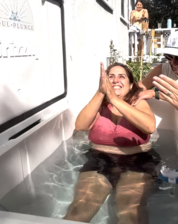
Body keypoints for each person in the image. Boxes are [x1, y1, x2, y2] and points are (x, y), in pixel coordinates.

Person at [64, 62, 161, 224]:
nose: (116, 80)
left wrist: (115, 99)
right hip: (99, 161)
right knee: (77, 213)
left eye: (121, 76)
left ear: (130, 86)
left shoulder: (139, 103)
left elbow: (149, 126)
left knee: (130, 215)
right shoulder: (99, 105)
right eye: (111, 77)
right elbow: (80, 126)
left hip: (137, 161)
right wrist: (101, 93)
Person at [132, 30, 178, 108]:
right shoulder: (162, 69)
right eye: (169, 56)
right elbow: (141, 86)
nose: (173, 62)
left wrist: (155, 93)